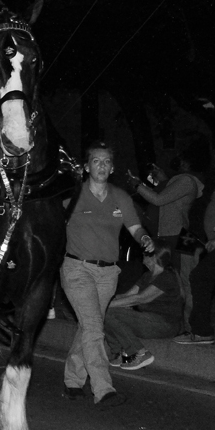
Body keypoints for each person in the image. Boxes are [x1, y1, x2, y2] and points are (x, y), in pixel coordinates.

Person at [61, 141, 155, 406]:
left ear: (111, 168)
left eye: (106, 162)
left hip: (108, 274)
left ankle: (72, 380)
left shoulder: (119, 197)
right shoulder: (73, 196)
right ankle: (103, 389)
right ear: (86, 167)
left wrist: (145, 238)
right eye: (96, 161)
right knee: (93, 328)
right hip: (77, 268)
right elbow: (48, 221)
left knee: (89, 326)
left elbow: (135, 226)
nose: (101, 166)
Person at [127, 150, 205, 330]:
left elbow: (159, 199)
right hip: (173, 235)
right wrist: (162, 180)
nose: (178, 161)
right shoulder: (180, 180)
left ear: (188, 163)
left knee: (187, 284)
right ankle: (179, 325)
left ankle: (191, 329)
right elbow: (165, 199)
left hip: (181, 237)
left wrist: (137, 185)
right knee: (173, 282)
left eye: (182, 159)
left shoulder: (186, 180)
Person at [105, 244, 182, 370]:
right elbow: (128, 295)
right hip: (149, 321)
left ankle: (140, 353)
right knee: (103, 312)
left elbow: (141, 298)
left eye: (145, 255)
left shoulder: (166, 276)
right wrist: (102, 300)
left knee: (109, 312)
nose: (143, 258)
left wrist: (106, 305)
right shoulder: (148, 276)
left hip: (165, 325)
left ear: (153, 257)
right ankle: (119, 353)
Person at [175, 189, 215, 344]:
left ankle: (197, 330)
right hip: (191, 236)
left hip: (196, 238)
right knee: (190, 279)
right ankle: (193, 329)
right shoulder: (204, 186)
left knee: (197, 278)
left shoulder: (190, 180)